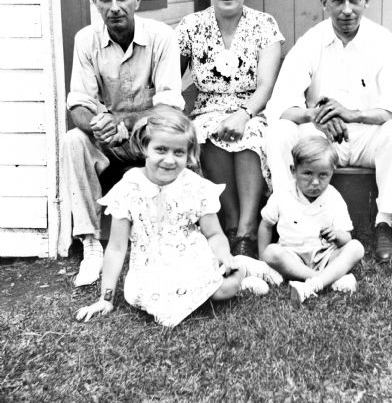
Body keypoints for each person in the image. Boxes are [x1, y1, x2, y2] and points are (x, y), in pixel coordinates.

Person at [264, 0, 392, 263]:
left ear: (367, 0)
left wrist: (351, 114)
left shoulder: (383, 42)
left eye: (354, 0)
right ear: (324, 3)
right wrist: (316, 116)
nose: (347, 9)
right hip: (321, 139)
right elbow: (280, 106)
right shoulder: (311, 42)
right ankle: (287, 215)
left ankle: (384, 222)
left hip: (366, 139)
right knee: (280, 131)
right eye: (338, 0)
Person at [75, 106, 282, 327]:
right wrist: (105, 299)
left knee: (221, 291)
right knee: (138, 297)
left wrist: (223, 254)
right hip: (149, 271)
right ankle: (226, 277)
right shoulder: (130, 187)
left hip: (190, 261)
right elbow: (116, 248)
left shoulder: (193, 186)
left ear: (189, 153)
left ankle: (241, 272)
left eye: (179, 152)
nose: (170, 160)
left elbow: (214, 234)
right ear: (145, 147)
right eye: (161, 150)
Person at [63, 0, 184, 287]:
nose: (114, 7)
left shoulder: (161, 37)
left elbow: (170, 104)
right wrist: (97, 127)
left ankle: (170, 238)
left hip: (149, 133)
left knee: (172, 131)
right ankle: (91, 244)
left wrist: (125, 122)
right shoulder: (86, 40)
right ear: (95, 1)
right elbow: (78, 103)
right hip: (110, 139)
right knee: (73, 140)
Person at [176, 0, 284, 258]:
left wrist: (244, 113)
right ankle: (232, 226)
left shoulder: (264, 24)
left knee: (249, 137)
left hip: (254, 107)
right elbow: (170, 78)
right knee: (207, 131)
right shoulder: (191, 26)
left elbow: (266, 84)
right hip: (207, 107)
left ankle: (248, 231)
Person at [258, 136, 364, 306]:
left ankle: (312, 283)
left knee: (356, 248)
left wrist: (336, 235)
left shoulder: (333, 197)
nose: (315, 182)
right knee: (271, 252)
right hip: (293, 257)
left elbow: (347, 238)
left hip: (324, 256)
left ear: (332, 172)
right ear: (293, 170)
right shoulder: (283, 194)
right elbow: (266, 224)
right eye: (307, 174)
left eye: (323, 175)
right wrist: (263, 260)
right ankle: (329, 279)